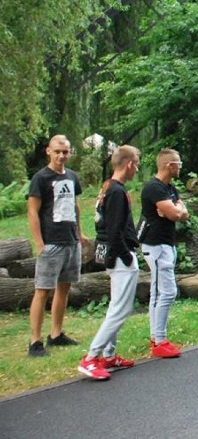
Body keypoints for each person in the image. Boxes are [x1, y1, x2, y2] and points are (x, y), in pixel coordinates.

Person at [77, 145, 141, 380]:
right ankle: (91, 358)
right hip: (119, 256)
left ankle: (109, 355)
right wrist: (127, 256)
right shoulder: (116, 192)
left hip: (111, 253)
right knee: (121, 310)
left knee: (116, 305)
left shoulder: (107, 186)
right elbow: (114, 230)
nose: (137, 168)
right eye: (137, 163)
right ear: (129, 164)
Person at [27, 135, 92, 357]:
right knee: (43, 290)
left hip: (70, 241)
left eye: (65, 152)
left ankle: (56, 334)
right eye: (57, 152)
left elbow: (74, 206)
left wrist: (79, 232)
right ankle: (35, 341)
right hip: (51, 243)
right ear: (49, 151)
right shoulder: (40, 178)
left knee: (64, 288)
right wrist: (39, 243)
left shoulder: (72, 177)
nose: (61, 156)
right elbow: (33, 211)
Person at [140, 149, 189, 359]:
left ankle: (157, 337)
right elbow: (174, 213)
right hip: (156, 245)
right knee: (167, 292)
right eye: (178, 164)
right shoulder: (154, 188)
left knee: (157, 292)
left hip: (167, 243)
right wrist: (175, 212)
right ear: (169, 166)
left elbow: (181, 212)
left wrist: (177, 211)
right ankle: (159, 340)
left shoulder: (169, 188)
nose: (180, 167)